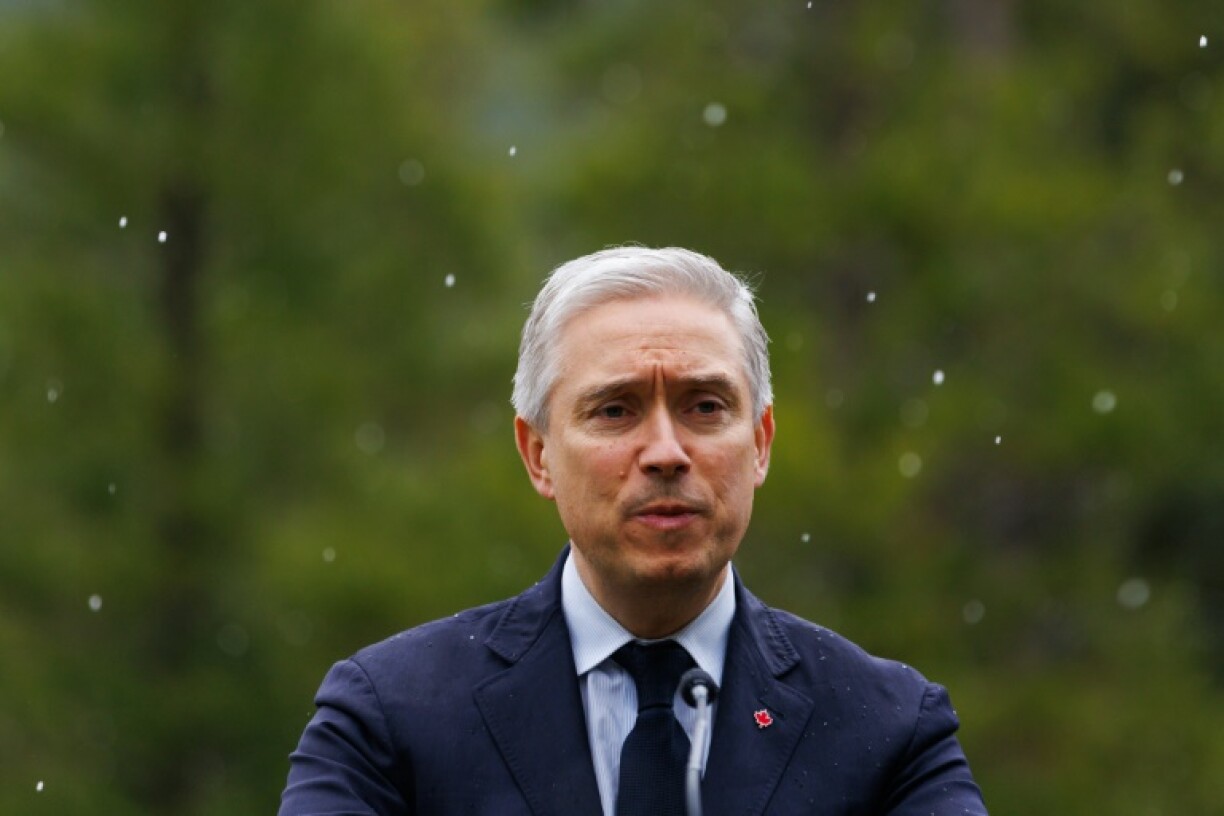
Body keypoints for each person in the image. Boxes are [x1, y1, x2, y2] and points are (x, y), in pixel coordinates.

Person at [279, 246, 988, 815]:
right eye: (614, 410)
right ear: (539, 454)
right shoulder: (391, 719)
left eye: (705, 406)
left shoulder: (887, 731)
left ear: (762, 442)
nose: (666, 452)